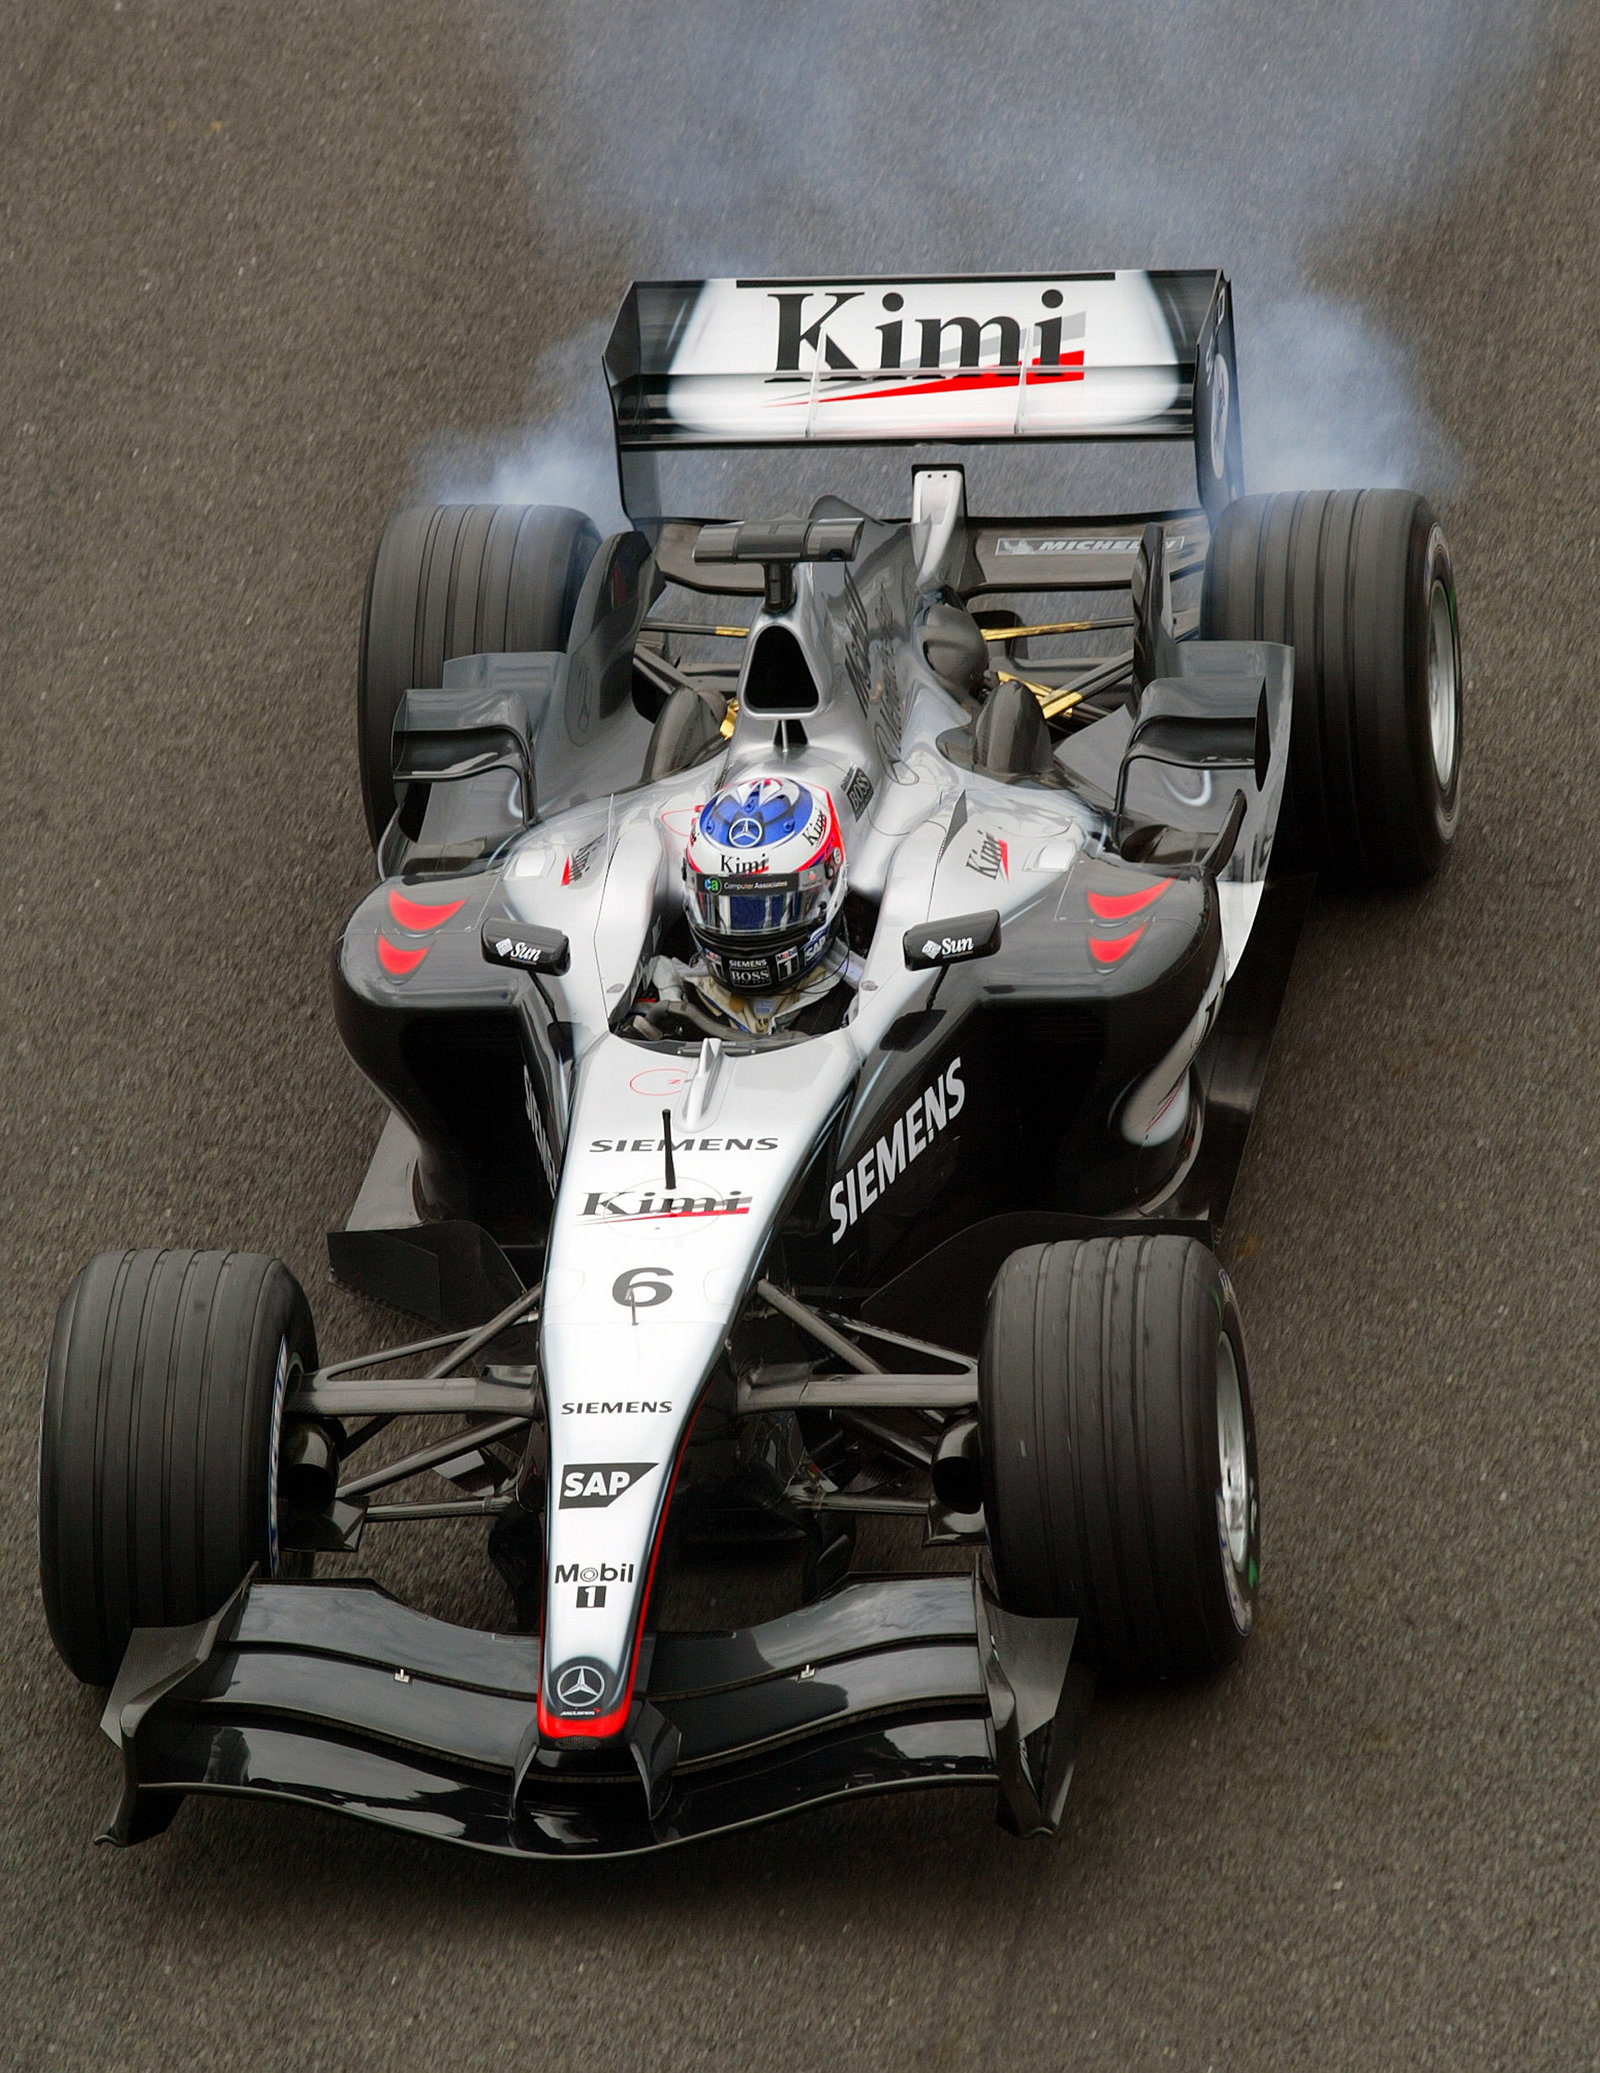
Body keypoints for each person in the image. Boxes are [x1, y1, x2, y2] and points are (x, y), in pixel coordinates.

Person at [632, 775, 861, 1038]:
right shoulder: (666, 981)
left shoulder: (864, 996)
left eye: (775, 908)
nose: (747, 931)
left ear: (829, 888)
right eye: (733, 909)